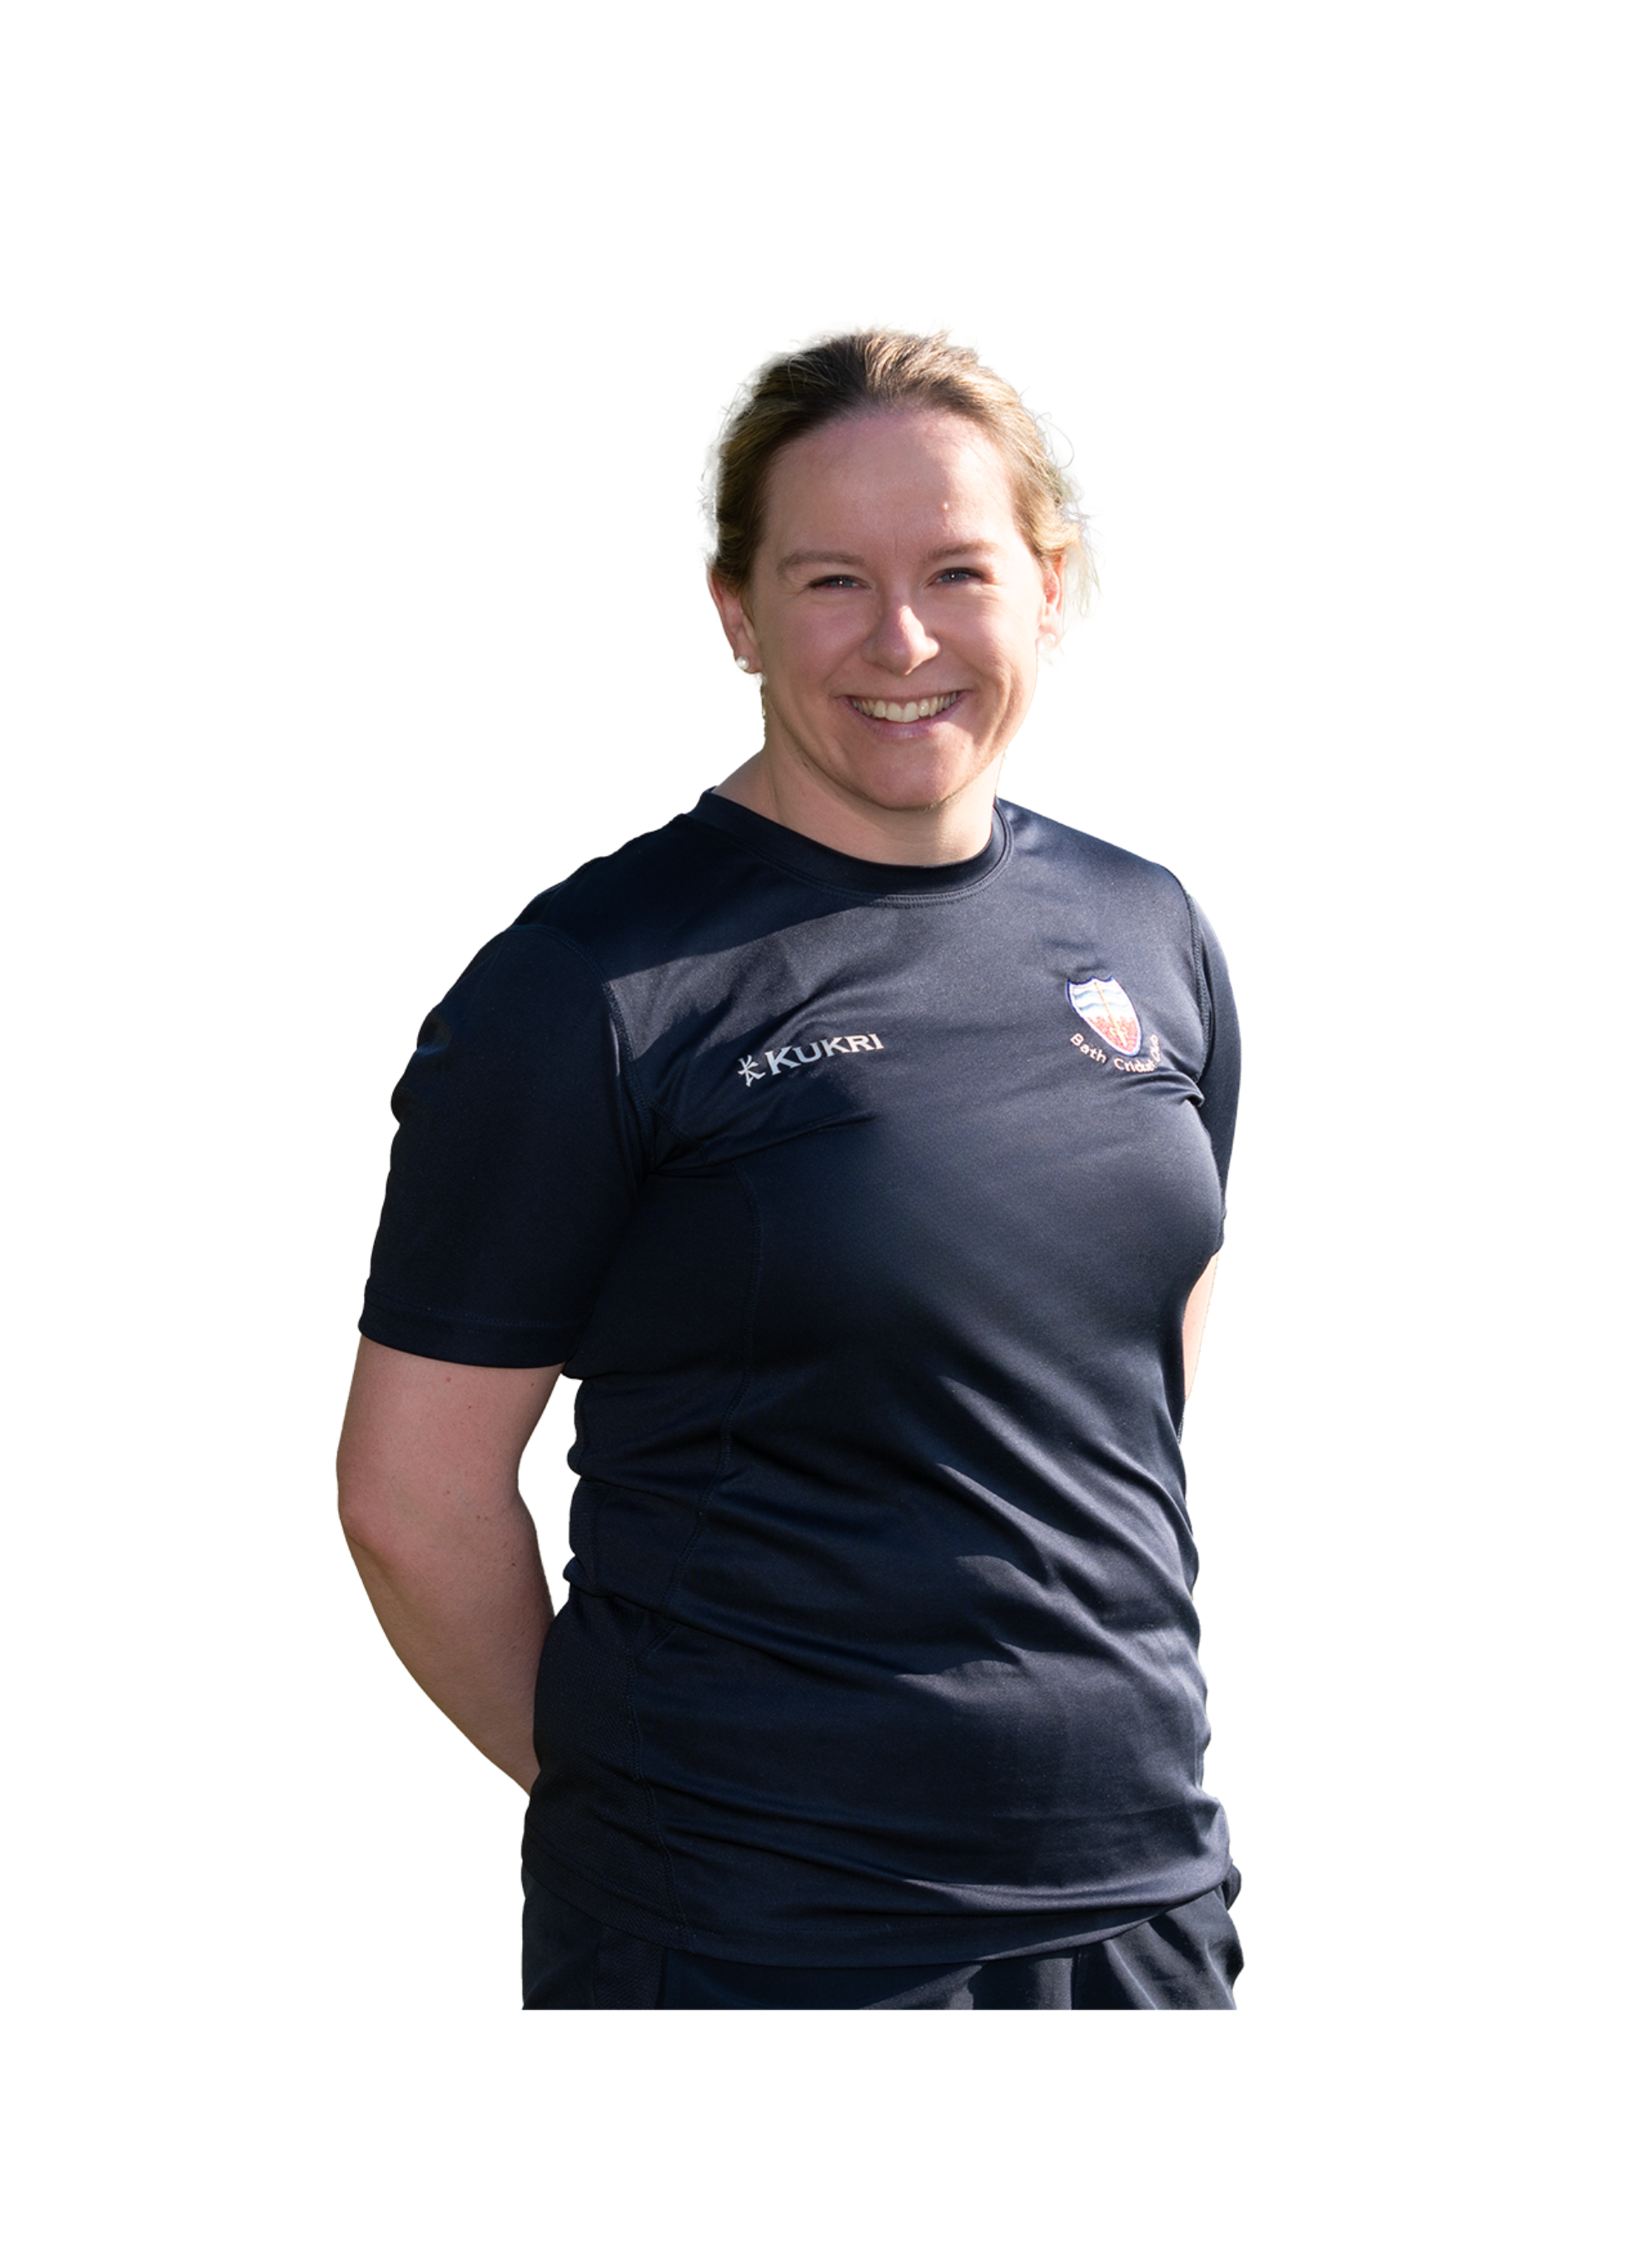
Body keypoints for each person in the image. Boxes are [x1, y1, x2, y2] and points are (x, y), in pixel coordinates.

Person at [336, 316, 1244, 2022]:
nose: (901, 640)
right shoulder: (593, 986)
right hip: (759, 1941)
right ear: (733, 613)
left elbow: (1137, 1360)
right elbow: (407, 1501)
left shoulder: (1149, 931)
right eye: (831, 581)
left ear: (1054, 592)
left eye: (960, 572)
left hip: (1142, 1909)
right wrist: (653, 1800)